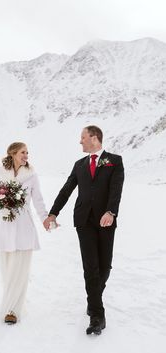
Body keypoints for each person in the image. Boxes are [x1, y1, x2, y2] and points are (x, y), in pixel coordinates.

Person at [43, 126, 124, 335]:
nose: (80, 142)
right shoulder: (79, 165)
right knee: (91, 267)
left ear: (94, 138)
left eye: (83, 137)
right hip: (84, 220)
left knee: (105, 266)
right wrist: (53, 213)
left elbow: (116, 189)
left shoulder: (114, 161)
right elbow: (66, 189)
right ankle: (97, 315)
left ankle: (94, 297)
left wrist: (111, 212)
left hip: (106, 220)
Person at [0, 142, 48, 324]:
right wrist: (2, 204)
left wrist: (45, 218)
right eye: (23, 152)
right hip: (4, 225)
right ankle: (11, 299)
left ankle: (12, 310)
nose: (26, 156)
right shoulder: (1, 172)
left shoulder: (31, 175)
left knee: (20, 268)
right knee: (7, 267)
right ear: (13, 153)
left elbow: (38, 199)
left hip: (24, 226)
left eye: (27, 153)